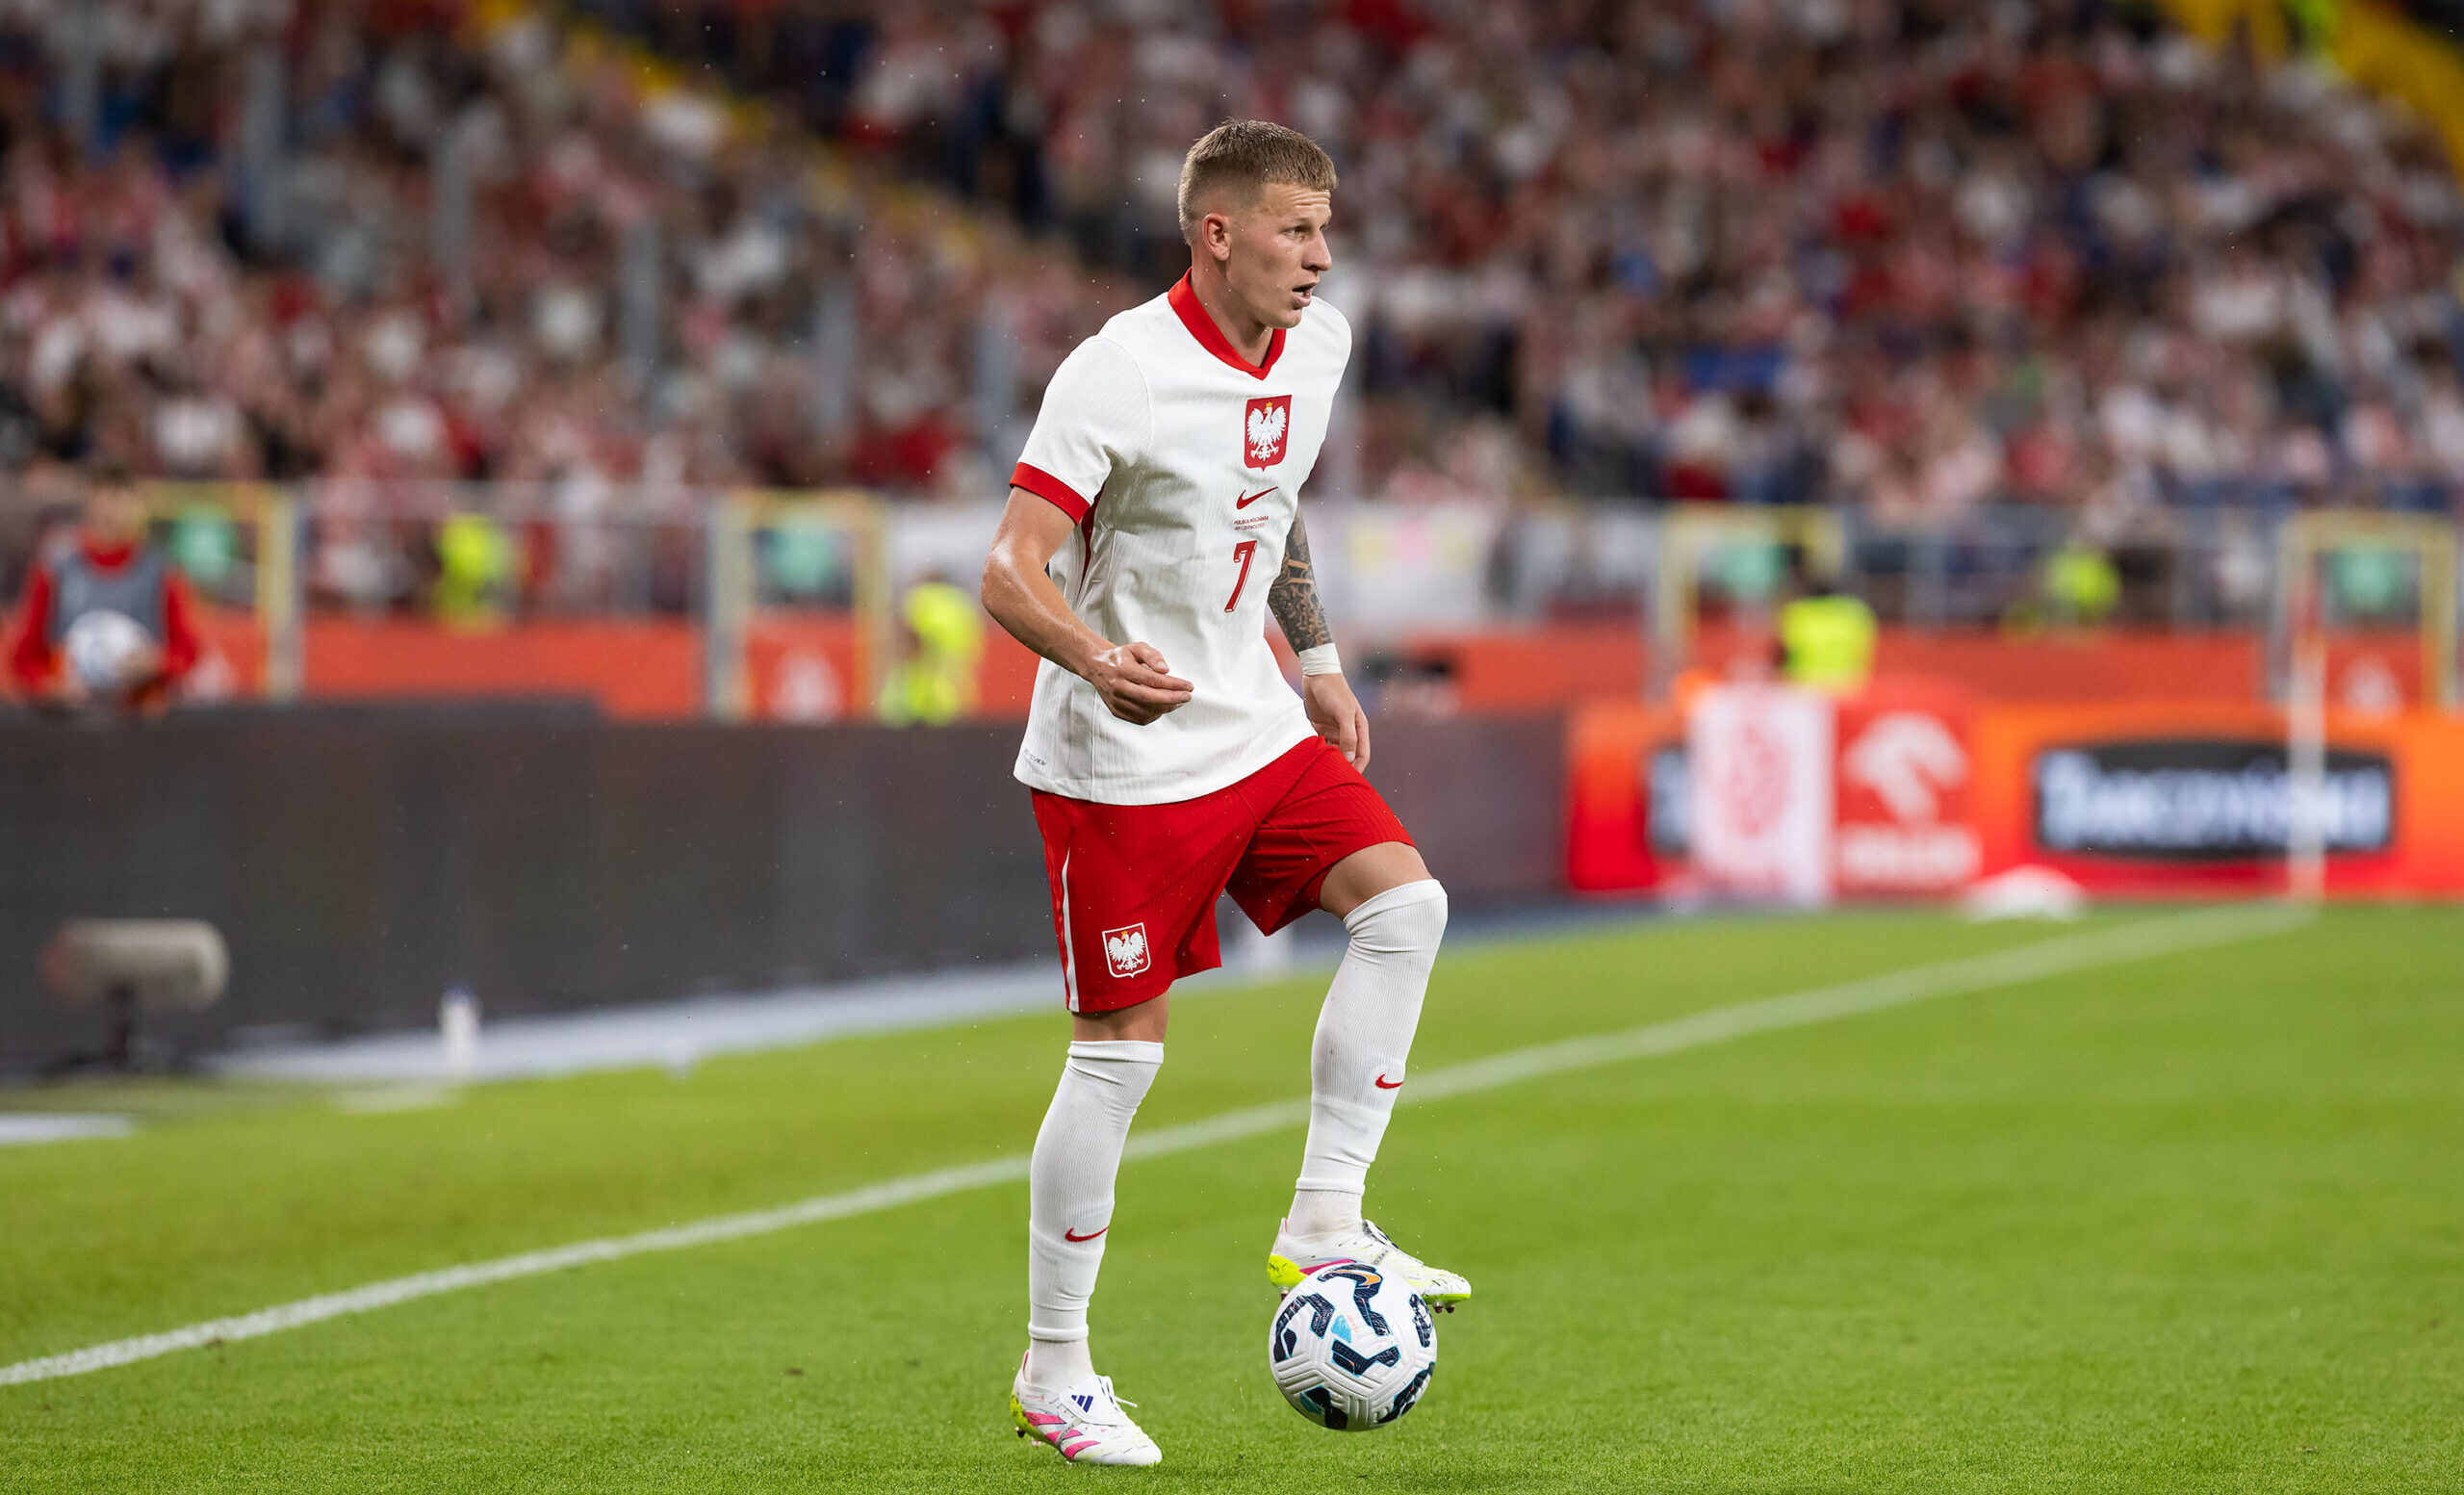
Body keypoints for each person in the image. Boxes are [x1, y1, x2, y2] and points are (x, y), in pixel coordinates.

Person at [979, 119, 1461, 1466]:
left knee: (1407, 907)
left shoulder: (1322, 345)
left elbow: (1276, 492)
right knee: (1118, 1061)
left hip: (1249, 722)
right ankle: (1055, 1370)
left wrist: (1313, 658)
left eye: (1327, 226)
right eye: (1299, 229)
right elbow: (1007, 568)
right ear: (1220, 234)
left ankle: (1323, 1215)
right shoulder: (1117, 373)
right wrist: (1092, 655)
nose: (1323, 254)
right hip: (1123, 762)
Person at [7, 463, 200, 714]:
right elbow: (24, 657)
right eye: (104, 498)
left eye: (121, 499)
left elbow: (188, 650)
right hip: (71, 724)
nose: (112, 510)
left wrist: (156, 662)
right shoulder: (55, 570)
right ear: (88, 503)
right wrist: (48, 687)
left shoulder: (161, 572)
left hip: (138, 720)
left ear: (137, 506)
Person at [1776, 550, 1876, 695]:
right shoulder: (1856, 612)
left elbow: (1783, 652)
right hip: (1848, 687)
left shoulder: (1798, 612)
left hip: (1804, 686)